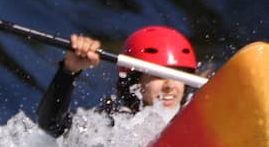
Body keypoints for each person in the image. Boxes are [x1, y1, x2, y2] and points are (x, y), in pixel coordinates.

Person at [37, 26, 198, 138]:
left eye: (179, 75)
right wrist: (69, 71)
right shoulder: (114, 124)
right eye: (158, 75)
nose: (170, 85)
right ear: (135, 82)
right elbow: (51, 125)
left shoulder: (196, 115)